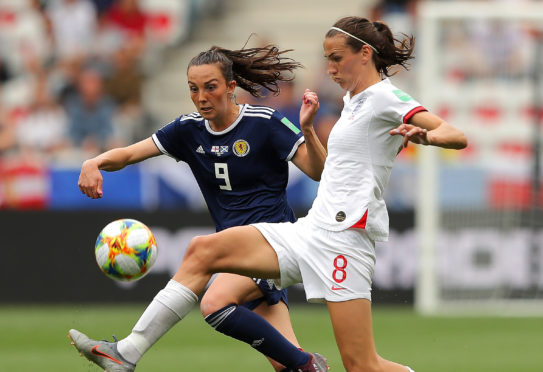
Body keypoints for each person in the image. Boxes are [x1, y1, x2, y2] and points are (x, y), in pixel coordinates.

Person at [70, 16, 468, 372]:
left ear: (364, 54)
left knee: (362, 365)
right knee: (201, 252)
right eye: (326, 58)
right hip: (314, 229)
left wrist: (427, 136)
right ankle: (127, 353)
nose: (328, 68)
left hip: (347, 239)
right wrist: (310, 129)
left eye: (335, 58)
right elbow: (332, 169)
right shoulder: (352, 101)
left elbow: (455, 134)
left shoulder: (384, 96)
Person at [71, 43, 328, 372]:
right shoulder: (187, 130)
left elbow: (318, 172)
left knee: (208, 285)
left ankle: (127, 352)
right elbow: (130, 154)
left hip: (274, 243)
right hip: (235, 252)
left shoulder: (265, 122)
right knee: (286, 366)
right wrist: (95, 161)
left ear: (231, 87)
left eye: (211, 87)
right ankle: (305, 365)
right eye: (194, 89)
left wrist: (307, 129)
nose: (202, 97)